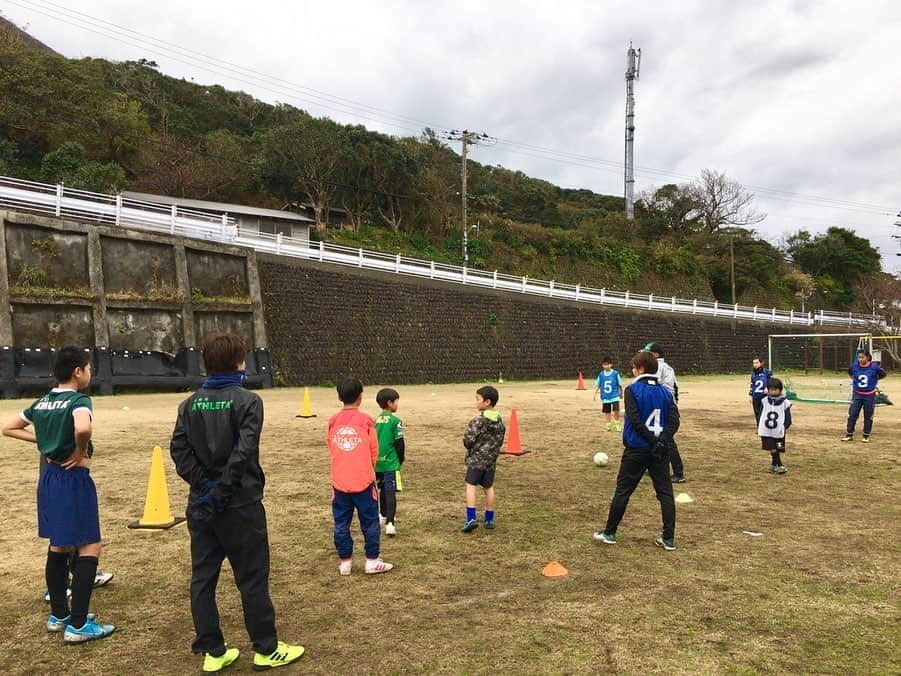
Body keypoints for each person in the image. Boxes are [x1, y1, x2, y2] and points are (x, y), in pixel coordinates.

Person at [170, 333, 304, 672]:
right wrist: (221, 491)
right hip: (240, 503)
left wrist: (204, 488)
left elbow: (180, 452)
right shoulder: (248, 401)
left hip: (201, 505)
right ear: (238, 363)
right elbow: (243, 452)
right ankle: (266, 647)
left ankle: (213, 651)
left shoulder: (189, 405)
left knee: (203, 577)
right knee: (252, 577)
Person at [2, 346, 115, 643]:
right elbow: (82, 428)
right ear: (77, 371)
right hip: (72, 479)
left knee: (59, 545)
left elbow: (9, 428)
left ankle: (60, 615)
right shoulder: (79, 400)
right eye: (88, 368)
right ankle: (78, 625)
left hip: (49, 478)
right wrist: (79, 450)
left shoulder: (44, 401)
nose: (90, 373)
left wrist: (41, 439)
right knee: (90, 546)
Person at [594, 350, 680, 550]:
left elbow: (634, 418)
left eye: (633, 367)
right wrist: (662, 441)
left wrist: (651, 441)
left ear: (641, 369)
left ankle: (610, 532)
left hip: (637, 449)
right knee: (665, 493)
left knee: (623, 490)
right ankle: (668, 538)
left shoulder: (632, 390)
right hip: (660, 450)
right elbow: (674, 421)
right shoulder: (666, 393)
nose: (632, 370)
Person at [327, 378, 393, 575]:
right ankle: (372, 560)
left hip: (340, 482)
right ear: (360, 397)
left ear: (339, 397)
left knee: (341, 523)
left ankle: (345, 562)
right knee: (370, 521)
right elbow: (374, 450)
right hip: (363, 481)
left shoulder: (333, 420)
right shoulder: (366, 420)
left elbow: (331, 446)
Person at [461, 386, 506, 533]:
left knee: (470, 486)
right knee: (489, 488)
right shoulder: (500, 421)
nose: (476, 402)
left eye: (478, 399)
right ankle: (489, 518)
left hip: (476, 460)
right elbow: (499, 441)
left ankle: (471, 518)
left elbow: (468, 441)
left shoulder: (477, 421)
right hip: (491, 461)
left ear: (487, 402)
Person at [644, 342, 686, 483]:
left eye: (648, 353)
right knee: (658, 436)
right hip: (668, 404)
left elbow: (653, 386)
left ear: (656, 354)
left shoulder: (657, 367)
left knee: (666, 439)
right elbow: (675, 388)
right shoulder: (667, 367)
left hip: (663, 406)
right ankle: (654, 467)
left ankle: (678, 473)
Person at [375, 388, 405, 536]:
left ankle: (382, 515)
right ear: (390, 403)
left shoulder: (375, 420)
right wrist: (400, 460)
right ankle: (390, 523)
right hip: (391, 463)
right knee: (391, 491)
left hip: (377, 463)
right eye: (396, 401)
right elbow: (399, 443)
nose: (397, 404)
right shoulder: (396, 421)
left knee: (382, 489)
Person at [841, 349, 887, 442]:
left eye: (862, 357)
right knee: (853, 414)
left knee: (868, 415)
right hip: (857, 394)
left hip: (869, 395)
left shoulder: (874, 367)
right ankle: (849, 434)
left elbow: (883, 374)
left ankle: (866, 435)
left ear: (868, 357)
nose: (860, 359)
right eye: (859, 357)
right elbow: (850, 373)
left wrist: (874, 381)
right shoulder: (854, 366)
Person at [758, 377, 791, 474]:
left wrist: (786, 426)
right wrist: (760, 425)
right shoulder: (764, 401)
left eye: (775, 389)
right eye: (771, 389)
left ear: (780, 390)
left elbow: (788, 415)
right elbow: (761, 413)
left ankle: (773, 465)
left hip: (778, 429)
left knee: (778, 448)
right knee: (772, 448)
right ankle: (780, 465)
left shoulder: (785, 402)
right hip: (766, 430)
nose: (772, 392)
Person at [593, 357, 623, 431]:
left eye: (607, 364)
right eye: (604, 365)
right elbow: (598, 385)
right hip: (606, 397)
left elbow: (620, 385)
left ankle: (617, 424)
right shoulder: (601, 374)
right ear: (602, 365)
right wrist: (595, 394)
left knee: (616, 410)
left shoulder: (615, 373)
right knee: (607, 411)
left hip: (615, 395)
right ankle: (608, 425)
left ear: (611, 365)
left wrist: (621, 393)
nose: (606, 366)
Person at [748, 356, 772, 425]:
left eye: (756, 363)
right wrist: (750, 395)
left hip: (764, 396)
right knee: (757, 413)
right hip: (755, 396)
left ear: (761, 363)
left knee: (764, 412)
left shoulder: (767, 372)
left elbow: (771, 382)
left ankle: (766, 426)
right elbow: (752, 385)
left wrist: (767, 387)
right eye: (753, 363)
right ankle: (759, 428)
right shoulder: (753, 374)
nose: (755, 364)